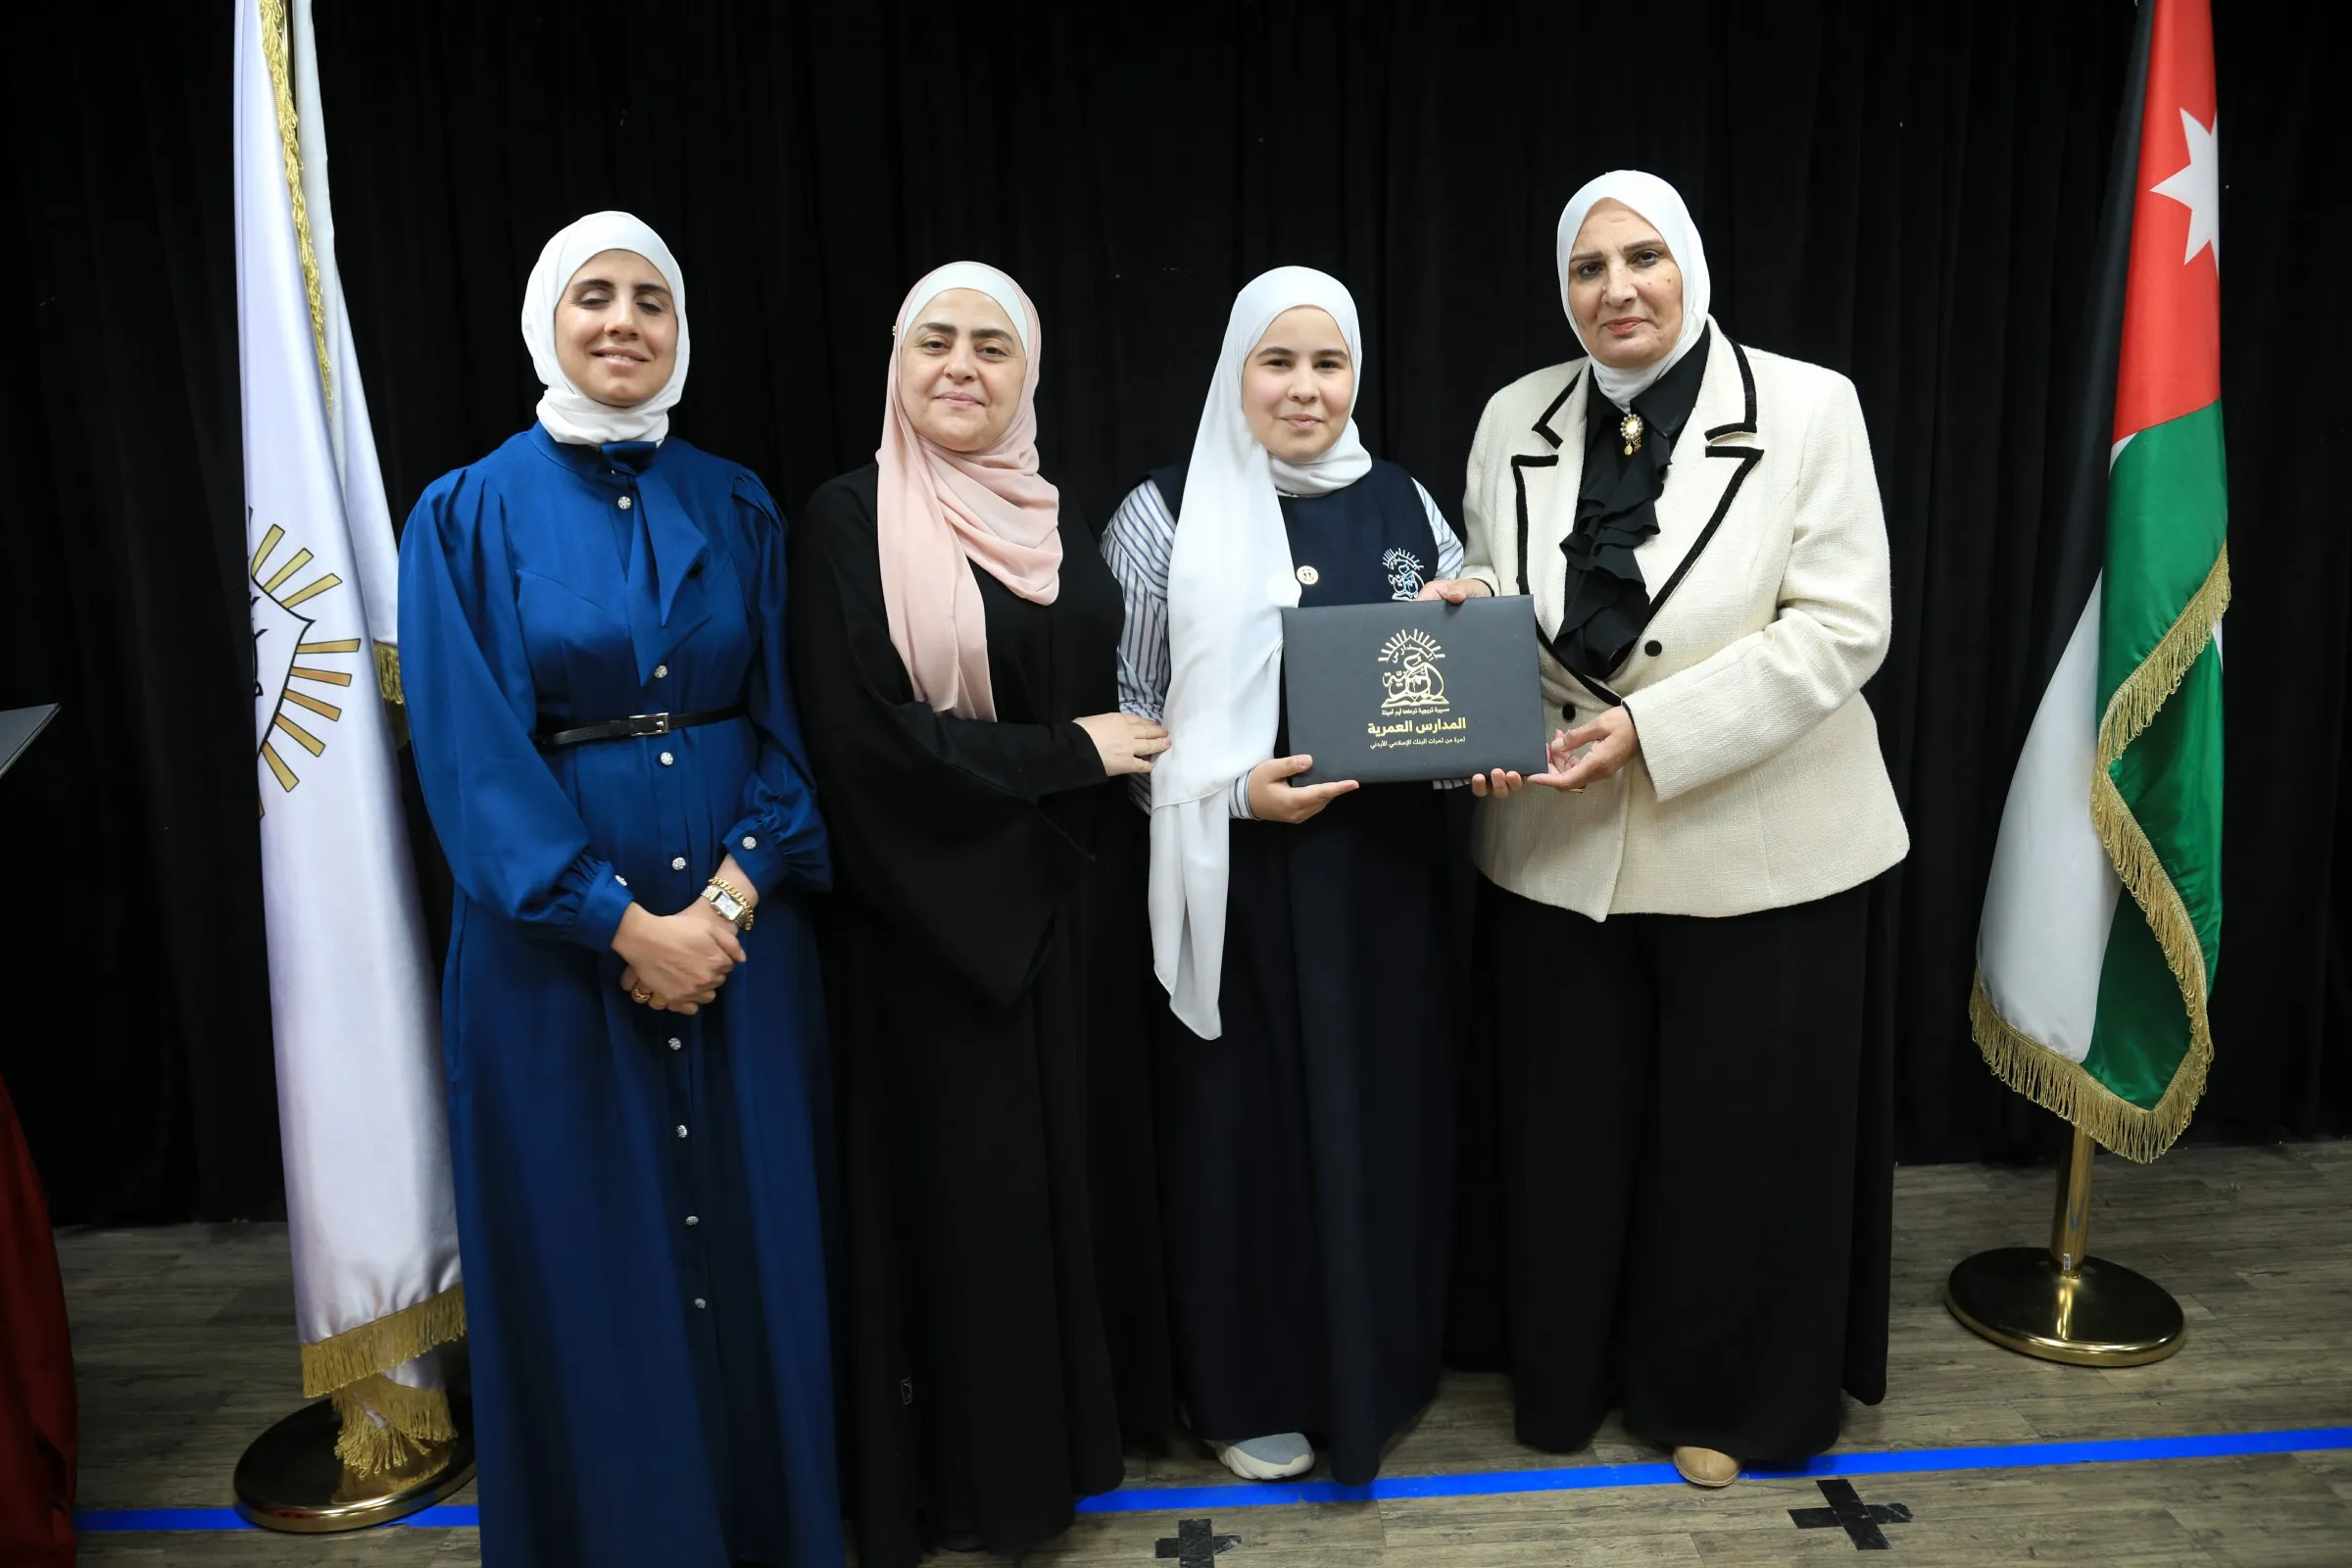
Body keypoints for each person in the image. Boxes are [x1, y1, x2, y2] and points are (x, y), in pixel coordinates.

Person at [1435, 170, 1909, 1489]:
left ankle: (1723, 1398)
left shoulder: (1811, 408)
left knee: (1733, 1145)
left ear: (1691, 264)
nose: (1617, 289)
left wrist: (1655, 729)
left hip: (1762, 836)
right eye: (1588, 268)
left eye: (1643, 258)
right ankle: (1567, 1377)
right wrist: (1463, 648)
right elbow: (1494, 585)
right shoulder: (1513, 414)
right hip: (1557, 841)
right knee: (1572, 1137)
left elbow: (1843, 627)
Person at [398, 212, 841, 1565]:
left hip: (744, 956)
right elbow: (470, 764)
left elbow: (794, 729)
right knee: (591, 1265)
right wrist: (621, 924)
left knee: (756, 1253)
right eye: (594, 295)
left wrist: (731, 901)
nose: (624, 322)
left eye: (653, 299)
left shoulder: (740, 502)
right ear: (548, 320)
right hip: (550, 971)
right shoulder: (464, 514)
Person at [787, 262, 1169, 1566]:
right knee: (969, 1212)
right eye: (934, 341)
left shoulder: (1055, 516)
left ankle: (1069, 1451)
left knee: (1059, 1193)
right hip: (933, 930)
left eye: (992, 346)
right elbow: (866, 747)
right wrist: (1068, 754)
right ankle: (974, 1486)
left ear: (1029, 373)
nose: (961, 365)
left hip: (1067, 918)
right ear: (897, 363)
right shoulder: (845, 520)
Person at [1103, 266, 1466, 1486]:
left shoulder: (1410, 503)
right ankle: (1244, 1385)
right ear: (1236, 371)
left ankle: (1376, 1370)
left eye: (1329, 362)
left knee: (1378, 1122)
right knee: (1240, 1136)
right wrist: (1228, 792)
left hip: (1383, 884)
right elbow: (1129, 714)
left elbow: (1451, 677)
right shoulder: (1161, 514)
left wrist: (1473, 656)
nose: (1305, 388)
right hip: (1235, 882)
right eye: (1278, 361)